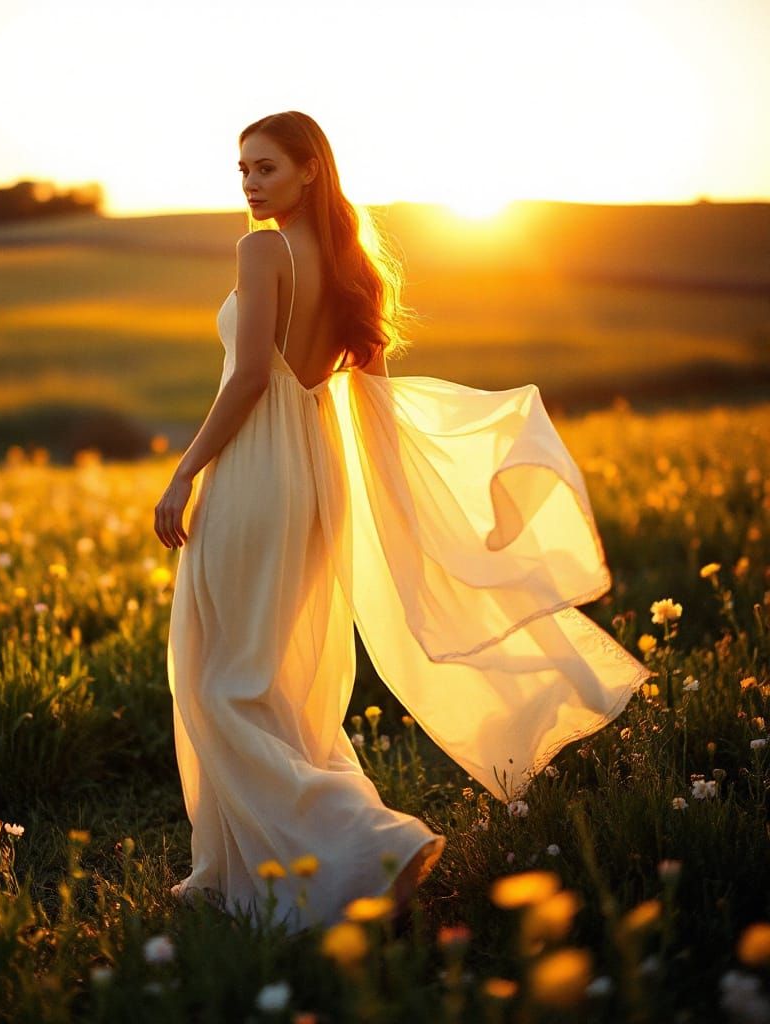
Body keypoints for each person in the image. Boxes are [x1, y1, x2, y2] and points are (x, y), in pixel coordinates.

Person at [154, 110, 654, 935]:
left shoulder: (262, 252)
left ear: (310, 169)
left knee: (219, 681)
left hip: (254, 473)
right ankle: (248, 874)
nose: (249, 184)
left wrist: (185, 470)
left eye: (265, 167)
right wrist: (402, 508)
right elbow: (374, 403)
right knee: (274, 679)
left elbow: (248, 379)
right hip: (315, 476)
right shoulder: (354, 266)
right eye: (242, 169)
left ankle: (366, 845)